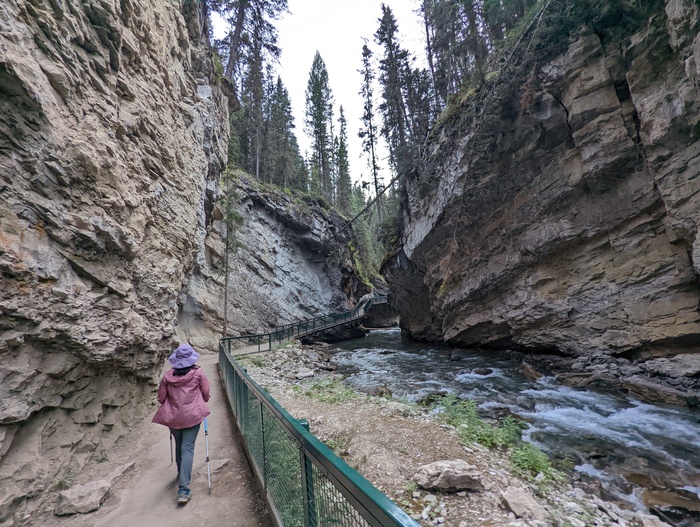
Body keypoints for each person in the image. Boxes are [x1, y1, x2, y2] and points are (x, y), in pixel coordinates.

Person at [152, 343, 211, 505]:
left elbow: (161, 398)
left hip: (173, 418)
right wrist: (203, 401)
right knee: (188, 448)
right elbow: (206, 393)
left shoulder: (167, 376)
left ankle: (181, 473)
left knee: (179, 445)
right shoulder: (198, 373)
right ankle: (184, 489)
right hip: (193, 416)